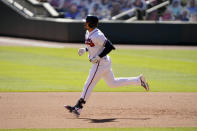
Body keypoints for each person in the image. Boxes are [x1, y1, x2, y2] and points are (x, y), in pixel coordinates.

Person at [64, 15, 149, 117]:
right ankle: (138, 80)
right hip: (104, 63)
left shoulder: (98, 35)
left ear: (90, 24)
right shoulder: (88, 32)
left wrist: (98, 57)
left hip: (100, 64)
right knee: (113, 83)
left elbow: (110, 46)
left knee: (88, 84)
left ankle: (78, 107)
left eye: (86, 22)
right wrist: (85, 49)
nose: (84, 23)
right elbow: (94, 46)